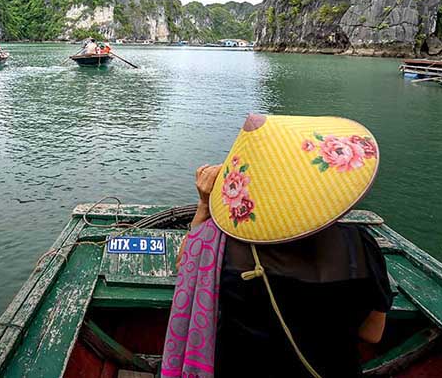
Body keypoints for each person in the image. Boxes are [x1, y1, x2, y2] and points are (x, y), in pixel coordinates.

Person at [163, 114, 392, 378]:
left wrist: (204, 206)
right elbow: (373, 334)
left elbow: (185, 267)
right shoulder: (361, 245)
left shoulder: (223, 243)